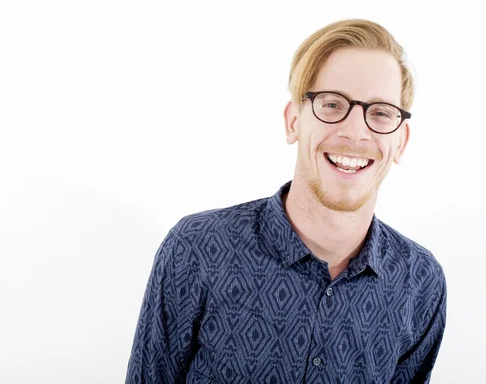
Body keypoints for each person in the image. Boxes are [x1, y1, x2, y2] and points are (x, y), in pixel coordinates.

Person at [125, 19, 447, 383]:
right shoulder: (196, 249)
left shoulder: (421, 281)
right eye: (331, 104)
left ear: (400, 141)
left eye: (380, 113)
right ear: (294, 120)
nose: (356, 131)